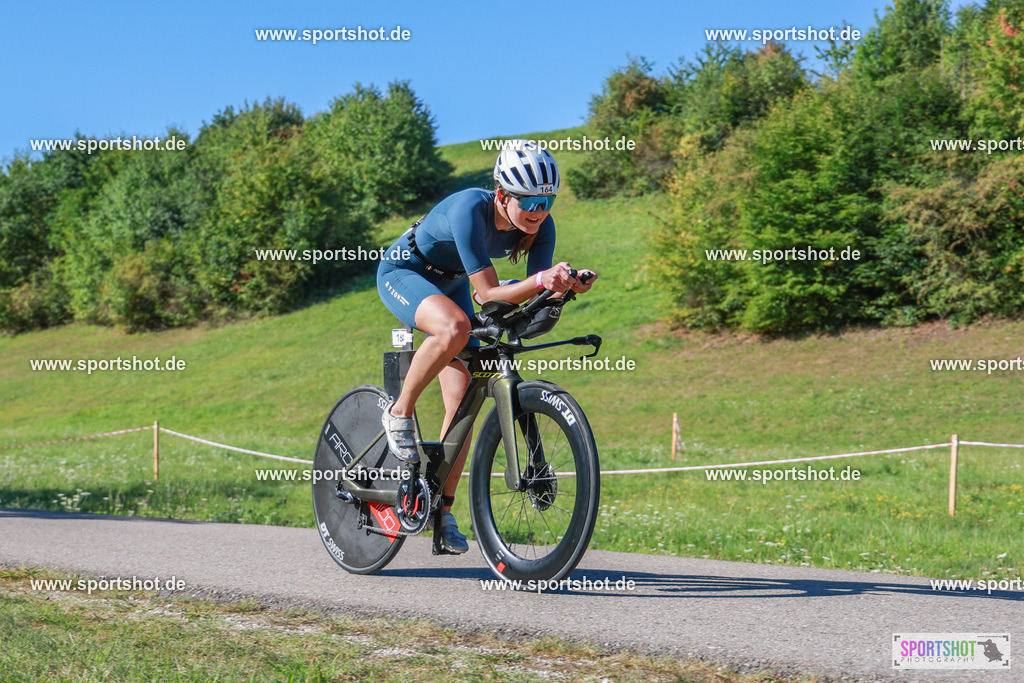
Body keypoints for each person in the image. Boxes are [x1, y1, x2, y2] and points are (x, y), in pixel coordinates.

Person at [375, 141, 597, 553]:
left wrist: (563, 288)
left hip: (453, 283)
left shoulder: (541, 227)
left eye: (547, 200)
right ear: (501, 195)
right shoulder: (468, 209)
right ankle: (399, 411)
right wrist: (542, 281)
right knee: (454, 327)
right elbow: (490, 292)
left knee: (463, 400)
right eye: (529, 200)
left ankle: (440, 508)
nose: (538, 210)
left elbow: (523, 298)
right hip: (405, 271)